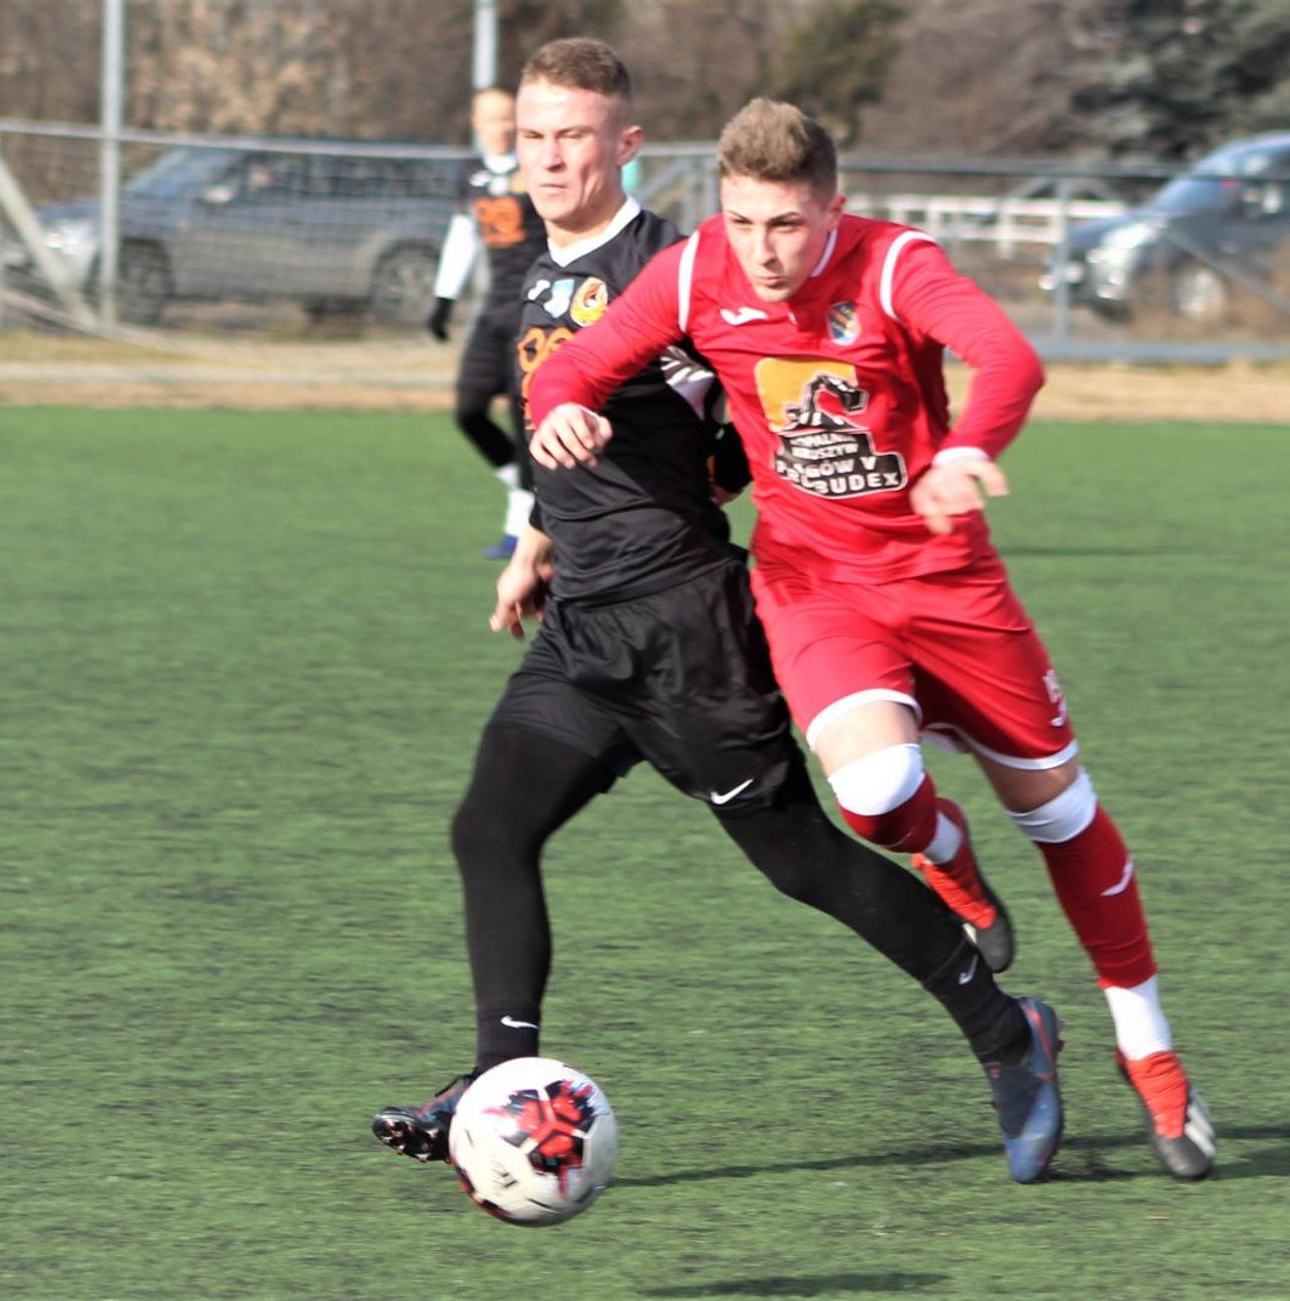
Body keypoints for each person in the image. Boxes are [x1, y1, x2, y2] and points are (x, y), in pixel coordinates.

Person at [373, 40, 1064, 1186]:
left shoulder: (678, 265)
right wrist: (540, 535)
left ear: (624, 144)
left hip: (687, 625)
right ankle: (498, 1085)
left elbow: (761, 420)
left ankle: (1008, 1032)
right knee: (490, 826)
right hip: (585, 621)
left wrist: (717, 486)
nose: (548, 158)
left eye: (573, 136)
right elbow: (563, 413)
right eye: (533, 136)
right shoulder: (540, 267)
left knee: (802, 861)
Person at [526, 98, 1216, 1180]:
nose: (763, 251)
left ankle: (1151, 1052)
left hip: (949, 582)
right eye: (744, 222)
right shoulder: (694, 271)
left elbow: (1009, 359)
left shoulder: (896, 266)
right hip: (816, 587)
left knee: (1060, 813)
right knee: (876, 793)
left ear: (833, 209)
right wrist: (561, 406)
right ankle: (947, 854)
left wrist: (969, 447)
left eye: (787, 225)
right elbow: (574, 365)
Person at [429, 86, 548, 558]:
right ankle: (525, 487)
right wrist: (443, 299)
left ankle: (520, 528)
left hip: (535, 312)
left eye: (507, 118)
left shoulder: (536, 168)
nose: (500, 127)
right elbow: (463, 234)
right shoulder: (472, 174)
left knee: (523, 418)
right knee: (469, 410)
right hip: (493, 310)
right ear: (476, 123)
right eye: (491, 118)